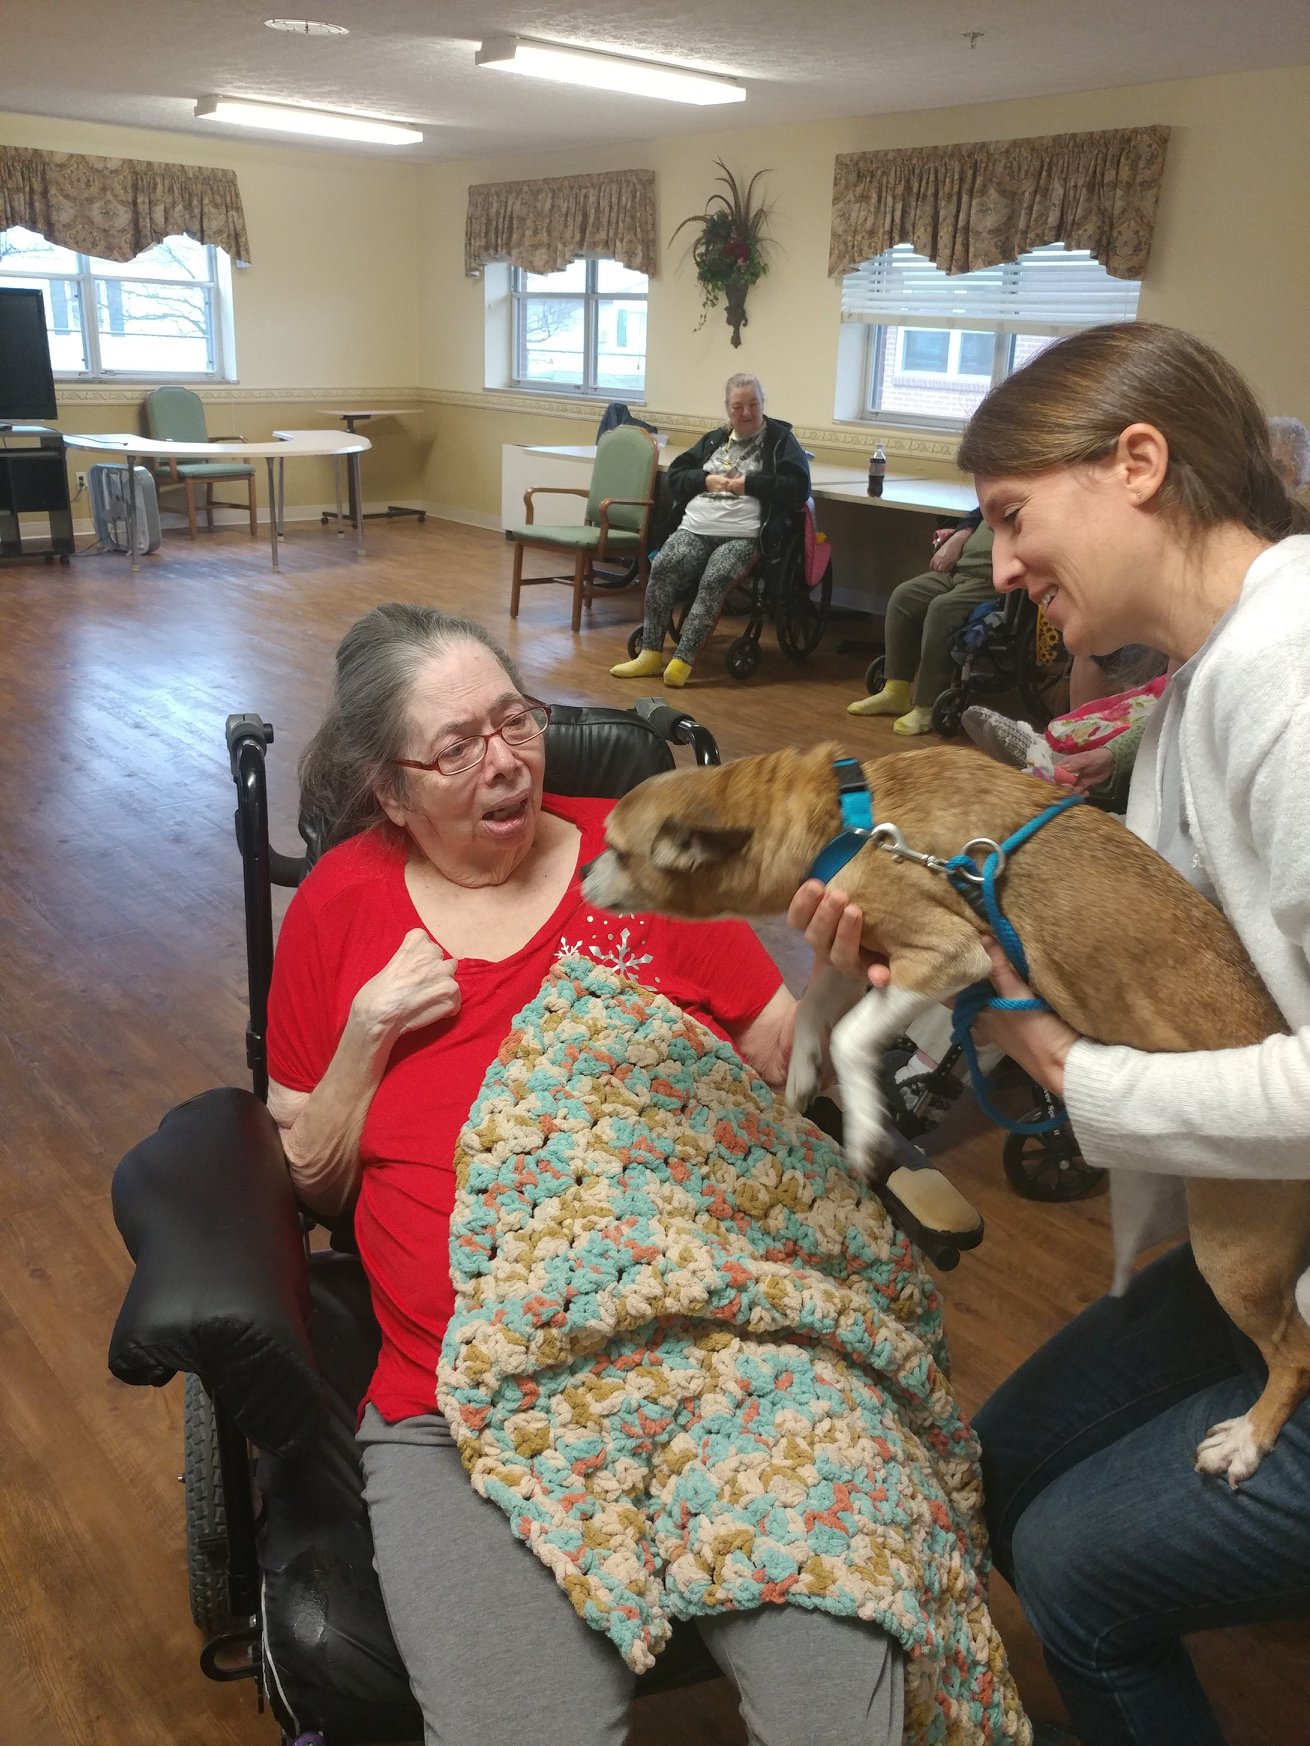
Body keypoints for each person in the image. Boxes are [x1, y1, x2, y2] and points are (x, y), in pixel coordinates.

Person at [263, 604, 917, 1746]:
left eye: (514, 721)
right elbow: (314, 1185)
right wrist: (366, 1036)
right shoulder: (341, 907)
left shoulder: (638, 864)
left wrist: (834, 980)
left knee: (844, 1718)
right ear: (389, 790)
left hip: (715, 1354)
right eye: (456, 746)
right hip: (464, 1401)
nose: (505, 760)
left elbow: (778, 1073)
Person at [792, 321, 1310, 1746]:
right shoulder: (1207, 675)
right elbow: (1125, 978)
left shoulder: (1293, 684)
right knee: (993, 1467)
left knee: (1075, 1569)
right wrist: (932, 1017)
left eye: (1013, 517)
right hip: (1264, 1228)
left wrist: (1059, 1069)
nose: (1000, 564)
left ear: (1139, 463)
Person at [610, 374, 810, 687]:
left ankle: (683, 660)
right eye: (737, 407)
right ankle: (650, 654)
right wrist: (705, 480)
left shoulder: (780, 441)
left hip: (744, 535)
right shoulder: (716, 438)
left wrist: (752, 485)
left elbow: (798, 489)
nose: (746, 413)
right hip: (695, 527)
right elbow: (676, 475)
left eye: (753, 405)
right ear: (727, 409)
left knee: (715, 578)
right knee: (662, 567)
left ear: (763, 404)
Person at [846, 509, 1000, 735]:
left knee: (942, 609)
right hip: (959, 569)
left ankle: (927, 705)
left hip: (991, 581)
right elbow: (978, 513)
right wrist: (959, 535)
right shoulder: (999, 490)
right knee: (904, 596)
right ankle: (895, 690)